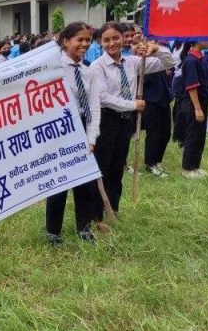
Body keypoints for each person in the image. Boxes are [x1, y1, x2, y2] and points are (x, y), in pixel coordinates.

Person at [89, 22, 175, 213]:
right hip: (106, 120)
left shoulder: (133, 62)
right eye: (107, 40)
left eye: (116, 38)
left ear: (124, 38)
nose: (112, 43)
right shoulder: (97, 66)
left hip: (125, 122)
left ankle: (114, 209)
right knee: (103, 168)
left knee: (117, 167)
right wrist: (133, 105)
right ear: (100, 42)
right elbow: (103, 97)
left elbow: (170, 62)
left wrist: (156, 49)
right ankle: (97, 214)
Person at [45, 22, 102, 245]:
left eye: (88, 40)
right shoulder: (52, 69)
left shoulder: (89, 72)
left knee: (85, 182)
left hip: (82, 125)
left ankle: (84, 228)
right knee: (58, 181)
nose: (85, 44)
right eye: (80, 39)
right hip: (58, 128)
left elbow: (95, 108)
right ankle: (53, 232)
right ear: (65, 41)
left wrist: (91, 138)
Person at [177, 41, 208, 178]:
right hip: (193, 103)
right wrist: (197, 108)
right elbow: (192, 86)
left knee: (200, 135)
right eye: (207, 38)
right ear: (198, 40)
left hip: (202, 101)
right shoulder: (191, 60)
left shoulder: (200, 57)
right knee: (192, 135)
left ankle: (195, 166)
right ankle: (187, 168)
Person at [142, 41, 175, 178]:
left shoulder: (160, 59)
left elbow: (171, 62)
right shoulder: (142, 61)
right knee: (154, 134)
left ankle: (157, 161)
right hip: (150, 101)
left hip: (163, 99)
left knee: (165, 133)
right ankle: (150, 164)